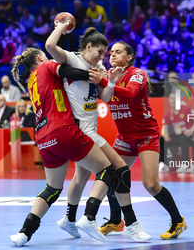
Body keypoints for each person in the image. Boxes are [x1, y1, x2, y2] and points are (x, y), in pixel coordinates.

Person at [8, 47, 131, 247]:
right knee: (108, 169)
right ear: (40, 58)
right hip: (63, 130)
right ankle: (89, 218)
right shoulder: (47, 66)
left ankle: (24, 233)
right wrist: (98, 77)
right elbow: (70, 72)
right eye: (46, 56)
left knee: (52, 188)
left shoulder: (30, 81)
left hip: (43, 137)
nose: (50, 58)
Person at [45, 23, 151, 241]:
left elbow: (103, 98)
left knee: (81, 175)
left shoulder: (100, 68)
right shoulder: (72, 58)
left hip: (87, 128)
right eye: (101, 52)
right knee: (118, 169)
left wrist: (109, 82)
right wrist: (62, 26)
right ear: (89, 46)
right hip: (82, 129)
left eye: (106, 53)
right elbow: (49, 45)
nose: (103, 57)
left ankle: (69, 219)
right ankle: (122, 222)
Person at [92, 41, 187, 239]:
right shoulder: (108, 76)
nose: (113, 55)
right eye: (112, 53)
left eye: (119, 52)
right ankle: (116, 221)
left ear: (129, 57)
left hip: (146, 135)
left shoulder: (137, 74)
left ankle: (178, 221)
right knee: (112, 176)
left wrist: (104, 82)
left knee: (151, 184)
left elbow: (129, 94)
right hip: (124, 137)